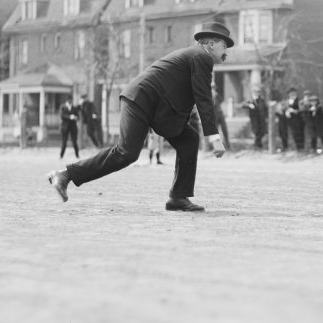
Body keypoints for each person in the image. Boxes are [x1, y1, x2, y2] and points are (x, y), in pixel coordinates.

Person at [46, 21, 231, 212]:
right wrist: (214, 137)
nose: (226, 51)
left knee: (189, 139)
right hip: (141, 100)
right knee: (126, 153)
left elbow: (181, 93)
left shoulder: (196, 56)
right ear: (210, 44)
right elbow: (203, 97)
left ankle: (178, 197)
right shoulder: (202, 57)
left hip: (156, 107)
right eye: (224, 46)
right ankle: (65, 175)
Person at [242, 85, 268, 150]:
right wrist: (249, 105)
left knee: (262, 132)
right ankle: (258, 145)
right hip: (254, 119)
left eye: (258, 92)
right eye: (256, 92)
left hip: (261, 118)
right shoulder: (250, 99)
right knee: (256, 131)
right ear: (253, 92)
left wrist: (266, 116)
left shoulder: (261, 99)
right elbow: (243, 105)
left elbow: (265, 108)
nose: (257, 93)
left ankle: (257, 144)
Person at [284, 88, 305, 152]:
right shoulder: (287, 102)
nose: (291, 95)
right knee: (294, 134)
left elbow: (301, 110)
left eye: (293, 93)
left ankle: (301, 147)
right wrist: (286, 112)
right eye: (290, 94)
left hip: (299, 120)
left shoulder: (299, 101)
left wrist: (293, 111)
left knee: (300, 134)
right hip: (291, 121)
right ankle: (297, 147)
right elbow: (285, 108)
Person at [212, 83, 230, 150]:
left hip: (221, 115)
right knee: (216, 133)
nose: (214, 91)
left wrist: (216, 95)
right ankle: (217, 147)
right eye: (213, 89)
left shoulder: (218, 96)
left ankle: (228, 145)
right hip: (214, 117)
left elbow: (222, 102)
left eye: (214, 89)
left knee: (225, 130)